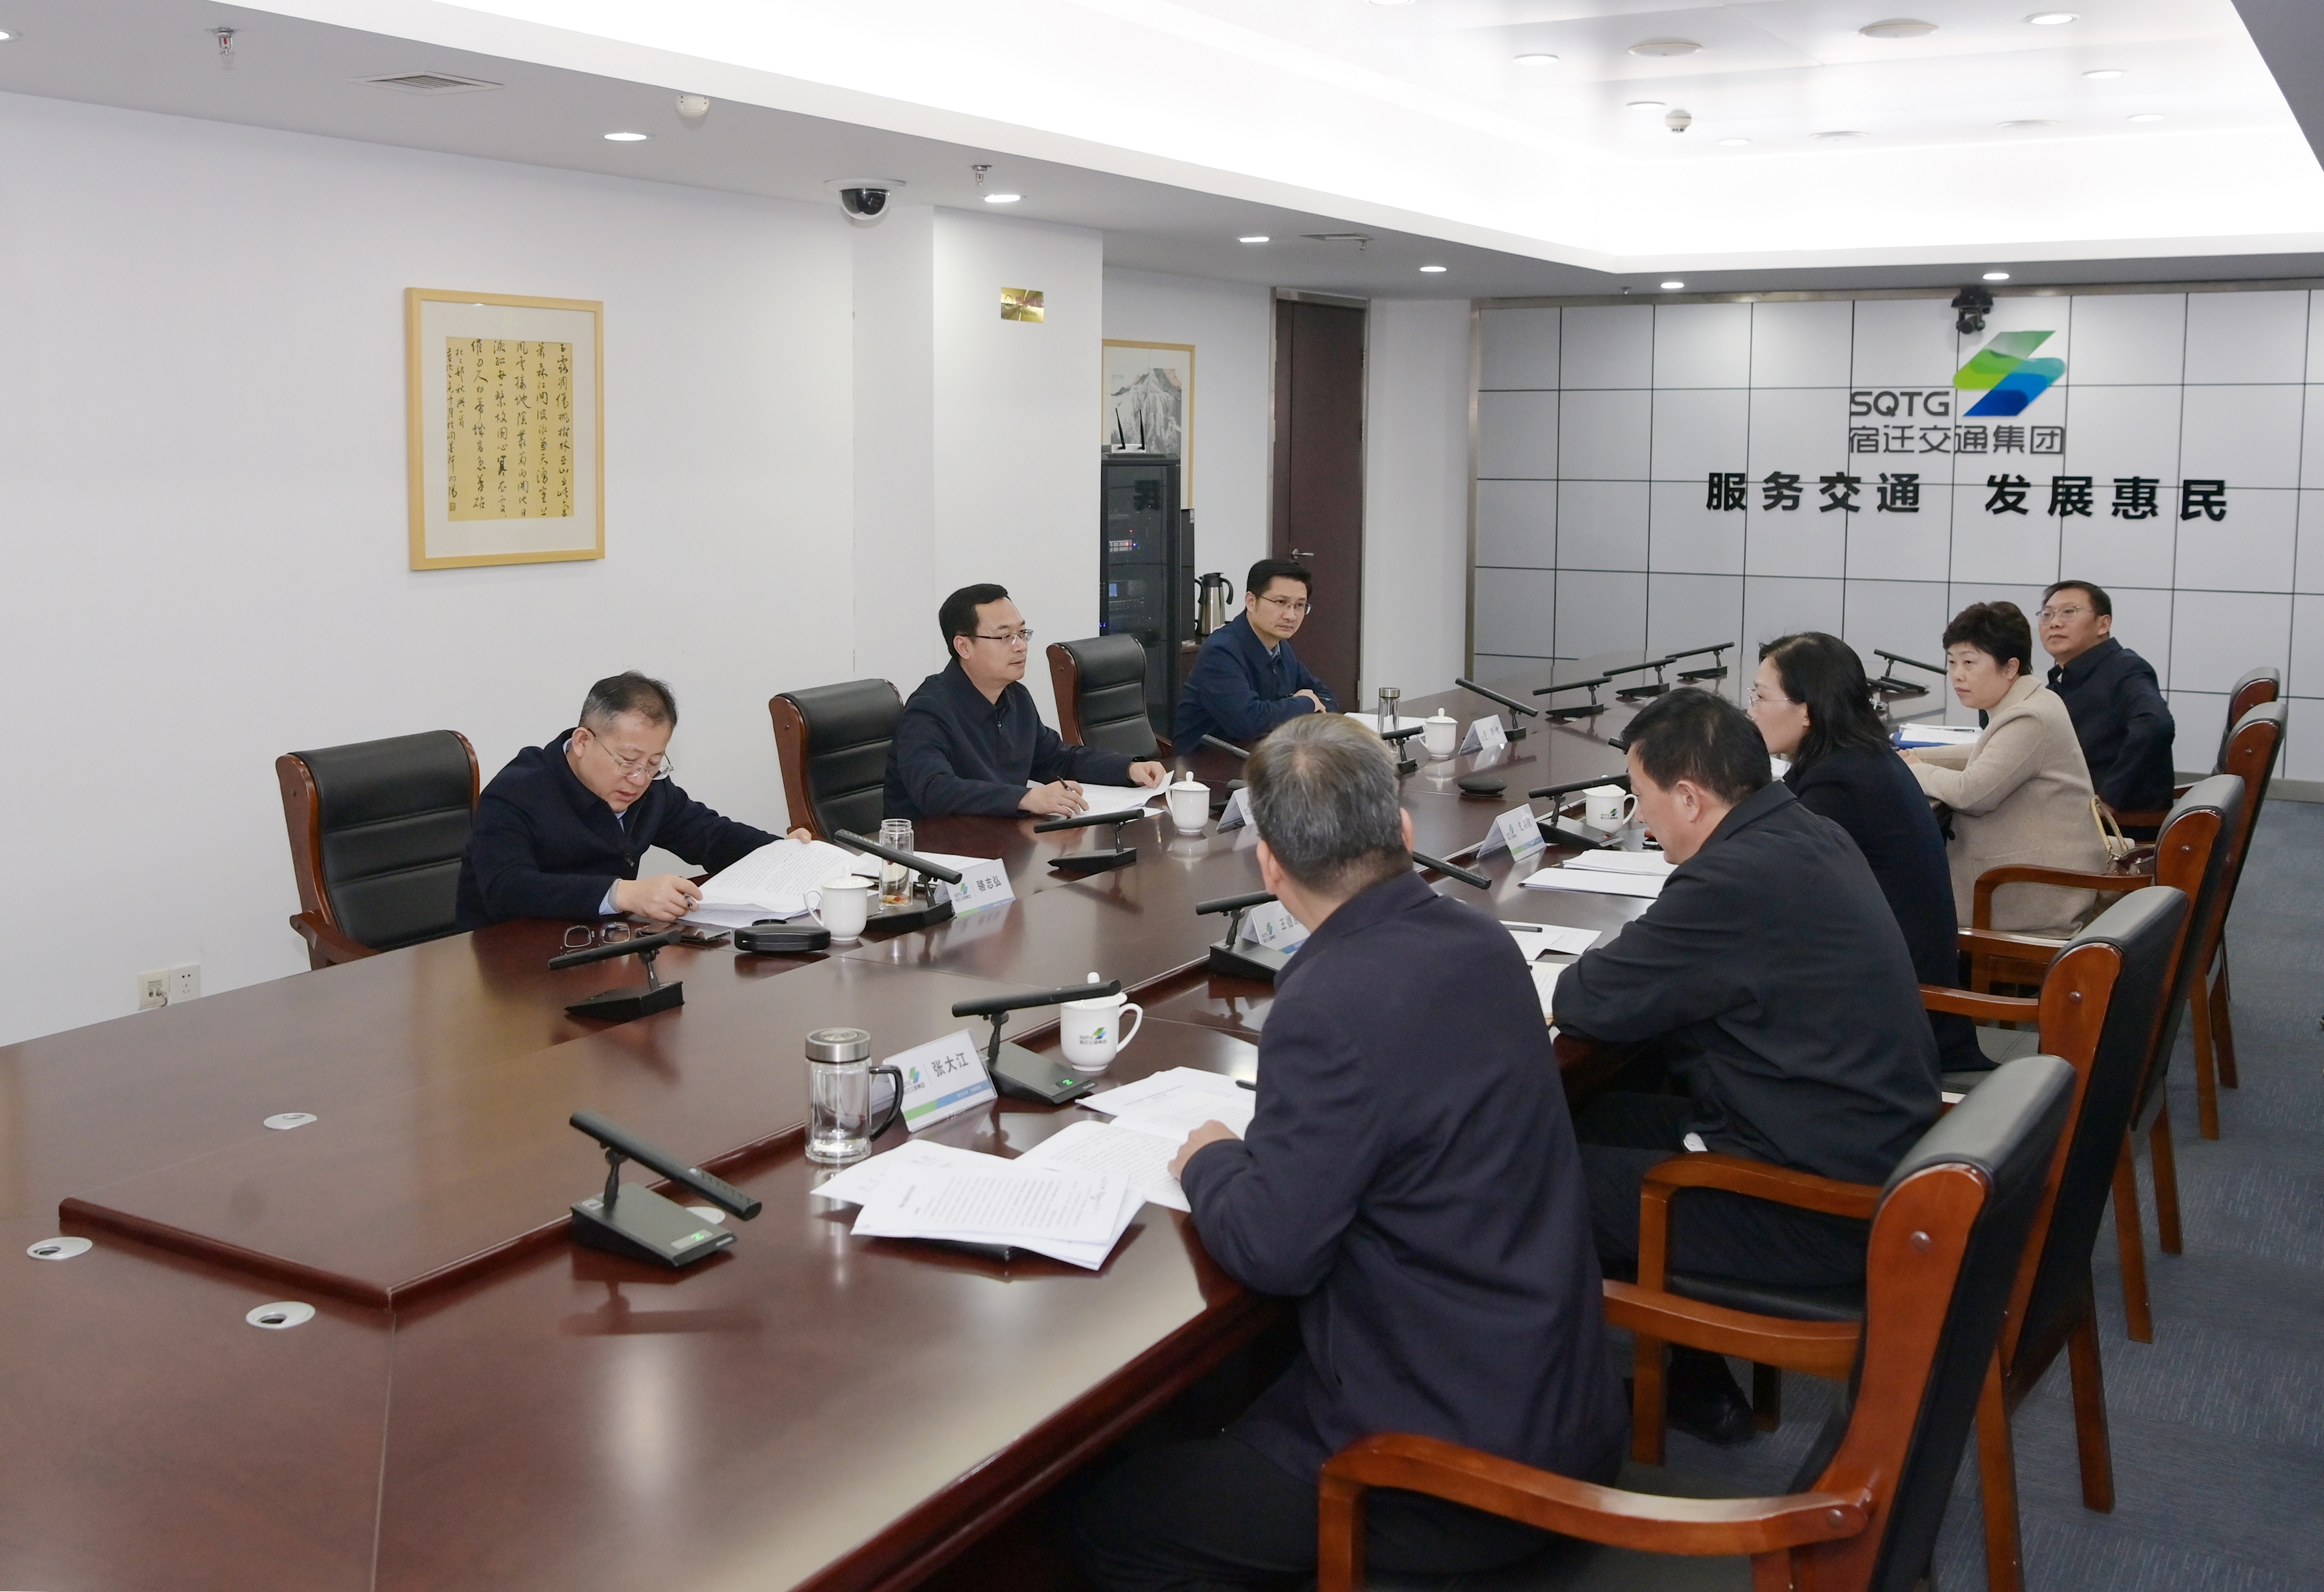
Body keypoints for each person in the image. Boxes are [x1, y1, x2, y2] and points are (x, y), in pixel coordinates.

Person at [1076, 714, 1622, 1592]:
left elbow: (1276, 1251)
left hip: (1445, 1471)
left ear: (1269, 866)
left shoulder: (1327, 997)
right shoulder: (1481, 940)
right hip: (1559, 1405)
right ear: (1402, 829)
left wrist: (1210, 1159)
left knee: (1115, 1520)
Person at [1553, 688, 1941, 1446]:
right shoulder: (1806, 830)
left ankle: (1560, 1410)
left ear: (1689, 797)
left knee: (1530, 1177)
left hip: (1812, 1207)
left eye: (1642, 799)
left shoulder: (1731, 879)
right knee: (1590, 1113)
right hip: (1860, 1151)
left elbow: (1586, 999)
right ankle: (1699, 1388)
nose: (1641, 820)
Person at [1749, 634, 1984, 1075]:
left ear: (1807, 711)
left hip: (1894, 1027)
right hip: (1896, 998)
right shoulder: (1855, 758)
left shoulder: (1839, 783)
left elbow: (1772, 891)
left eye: (1760, 697)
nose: (1751, 711)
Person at [455, 671, 808, 930]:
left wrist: (784, 855)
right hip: (507, 968)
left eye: (654, 763)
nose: (639, 779)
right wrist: (623, 894)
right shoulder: (516, 792)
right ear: (582, 742)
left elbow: (710, 835)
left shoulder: (650, 789)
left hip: (598, 949)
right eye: (627, 761)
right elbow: (507, 890)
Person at [1904, 602, 2111, 937]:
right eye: (1952, 662)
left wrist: (1914, 770)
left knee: (1898, 905)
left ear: (2010, 667)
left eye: (1969, 663)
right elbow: (1986, 752)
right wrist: (1917, 756)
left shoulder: (2029, 717)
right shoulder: (2035, 699)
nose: (1957, 675)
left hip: (2034, 891)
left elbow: (1970, 794)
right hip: (2032, 875)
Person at [885, 584, 1167, 819]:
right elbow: (934, 790)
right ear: (964, 646)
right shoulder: (928, 709)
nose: (1020, 646)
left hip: (999, 840)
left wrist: (1128, 769)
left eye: (1022, 633)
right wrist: (1026, 798)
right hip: (935, 852)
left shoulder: (1016, 697)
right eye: (1005, 636)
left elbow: (1058, 759)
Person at [2038, 579, 2177, 820]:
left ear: (2103, 624)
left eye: (2069, 612)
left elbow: (2156, 724)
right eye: (2047, 614)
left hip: (2113, 823)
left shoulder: (2125, 668)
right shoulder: (2067, 676)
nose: (2055, 623)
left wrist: (2111, 798)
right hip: (2063, 805)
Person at [1172, 558, 1338, 749]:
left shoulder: (1281, 646)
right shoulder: (1220, 651)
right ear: (1251, 602)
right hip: (1207, 760)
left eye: (1299, 605)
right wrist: (1306, 703)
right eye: (1281, 602)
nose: (1291, 616)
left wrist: (1305, 704)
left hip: (1262, 752)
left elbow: (1326, 697)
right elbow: (1248, 723)